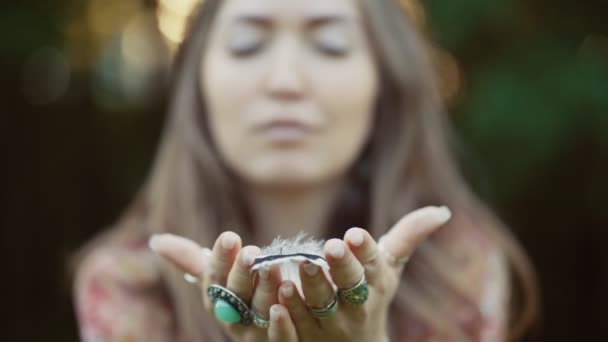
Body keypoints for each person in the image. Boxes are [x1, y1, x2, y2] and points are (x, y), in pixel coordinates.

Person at [74, 0, 539, 341]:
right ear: (197, 85)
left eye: (331, 45)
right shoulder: (129, 285)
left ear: (384, 82)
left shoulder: (458, 274)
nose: (285, 81)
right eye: (247, 43)